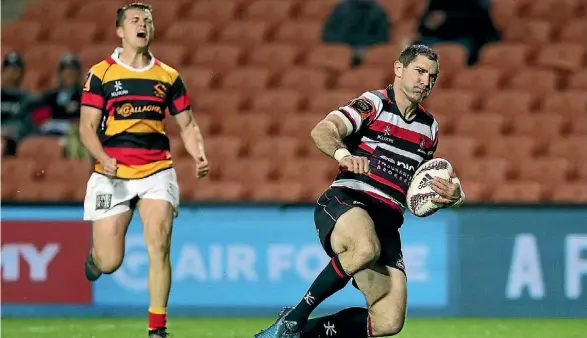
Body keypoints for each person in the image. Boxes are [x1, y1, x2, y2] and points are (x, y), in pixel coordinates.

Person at [255, 44, 465, 338]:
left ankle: (299, 332)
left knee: (388, 322)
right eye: (419, 71)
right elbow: (323, 130)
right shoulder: (374, 103)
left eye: (432, 76)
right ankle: (295, 318)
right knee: (365, 248)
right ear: (399, 69)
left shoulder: (429, 129)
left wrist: (453, 197)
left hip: (387, 221)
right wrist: (344, 155)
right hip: (348, 201)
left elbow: (419, 190)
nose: (425, 81)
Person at [79, 3, 209, 338]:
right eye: (135, 20)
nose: (143, 25)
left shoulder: (167, 76)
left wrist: (198, 154)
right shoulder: (101, 73)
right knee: (110, 262)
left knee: (160, 242)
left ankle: (157, 328)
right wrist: (102, 157)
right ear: (120, 31)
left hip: (157, 171)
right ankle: (95, 259)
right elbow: (86, 128)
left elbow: (187, 123)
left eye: (148, 21)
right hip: (112, 174)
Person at [322, 0, 391, 67]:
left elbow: (383, 37)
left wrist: (362, 45)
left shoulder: (378, 12)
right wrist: (343, 45)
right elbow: (327, 33)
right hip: (339, 48)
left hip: (364, 50)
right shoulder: (341, 9)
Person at [1, 51, 30, 156]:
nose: (12, 73)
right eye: (9, 69)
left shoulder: (27, 98)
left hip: (12, 142)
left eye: (16, 69)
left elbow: (26, 126)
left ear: (22, 74)